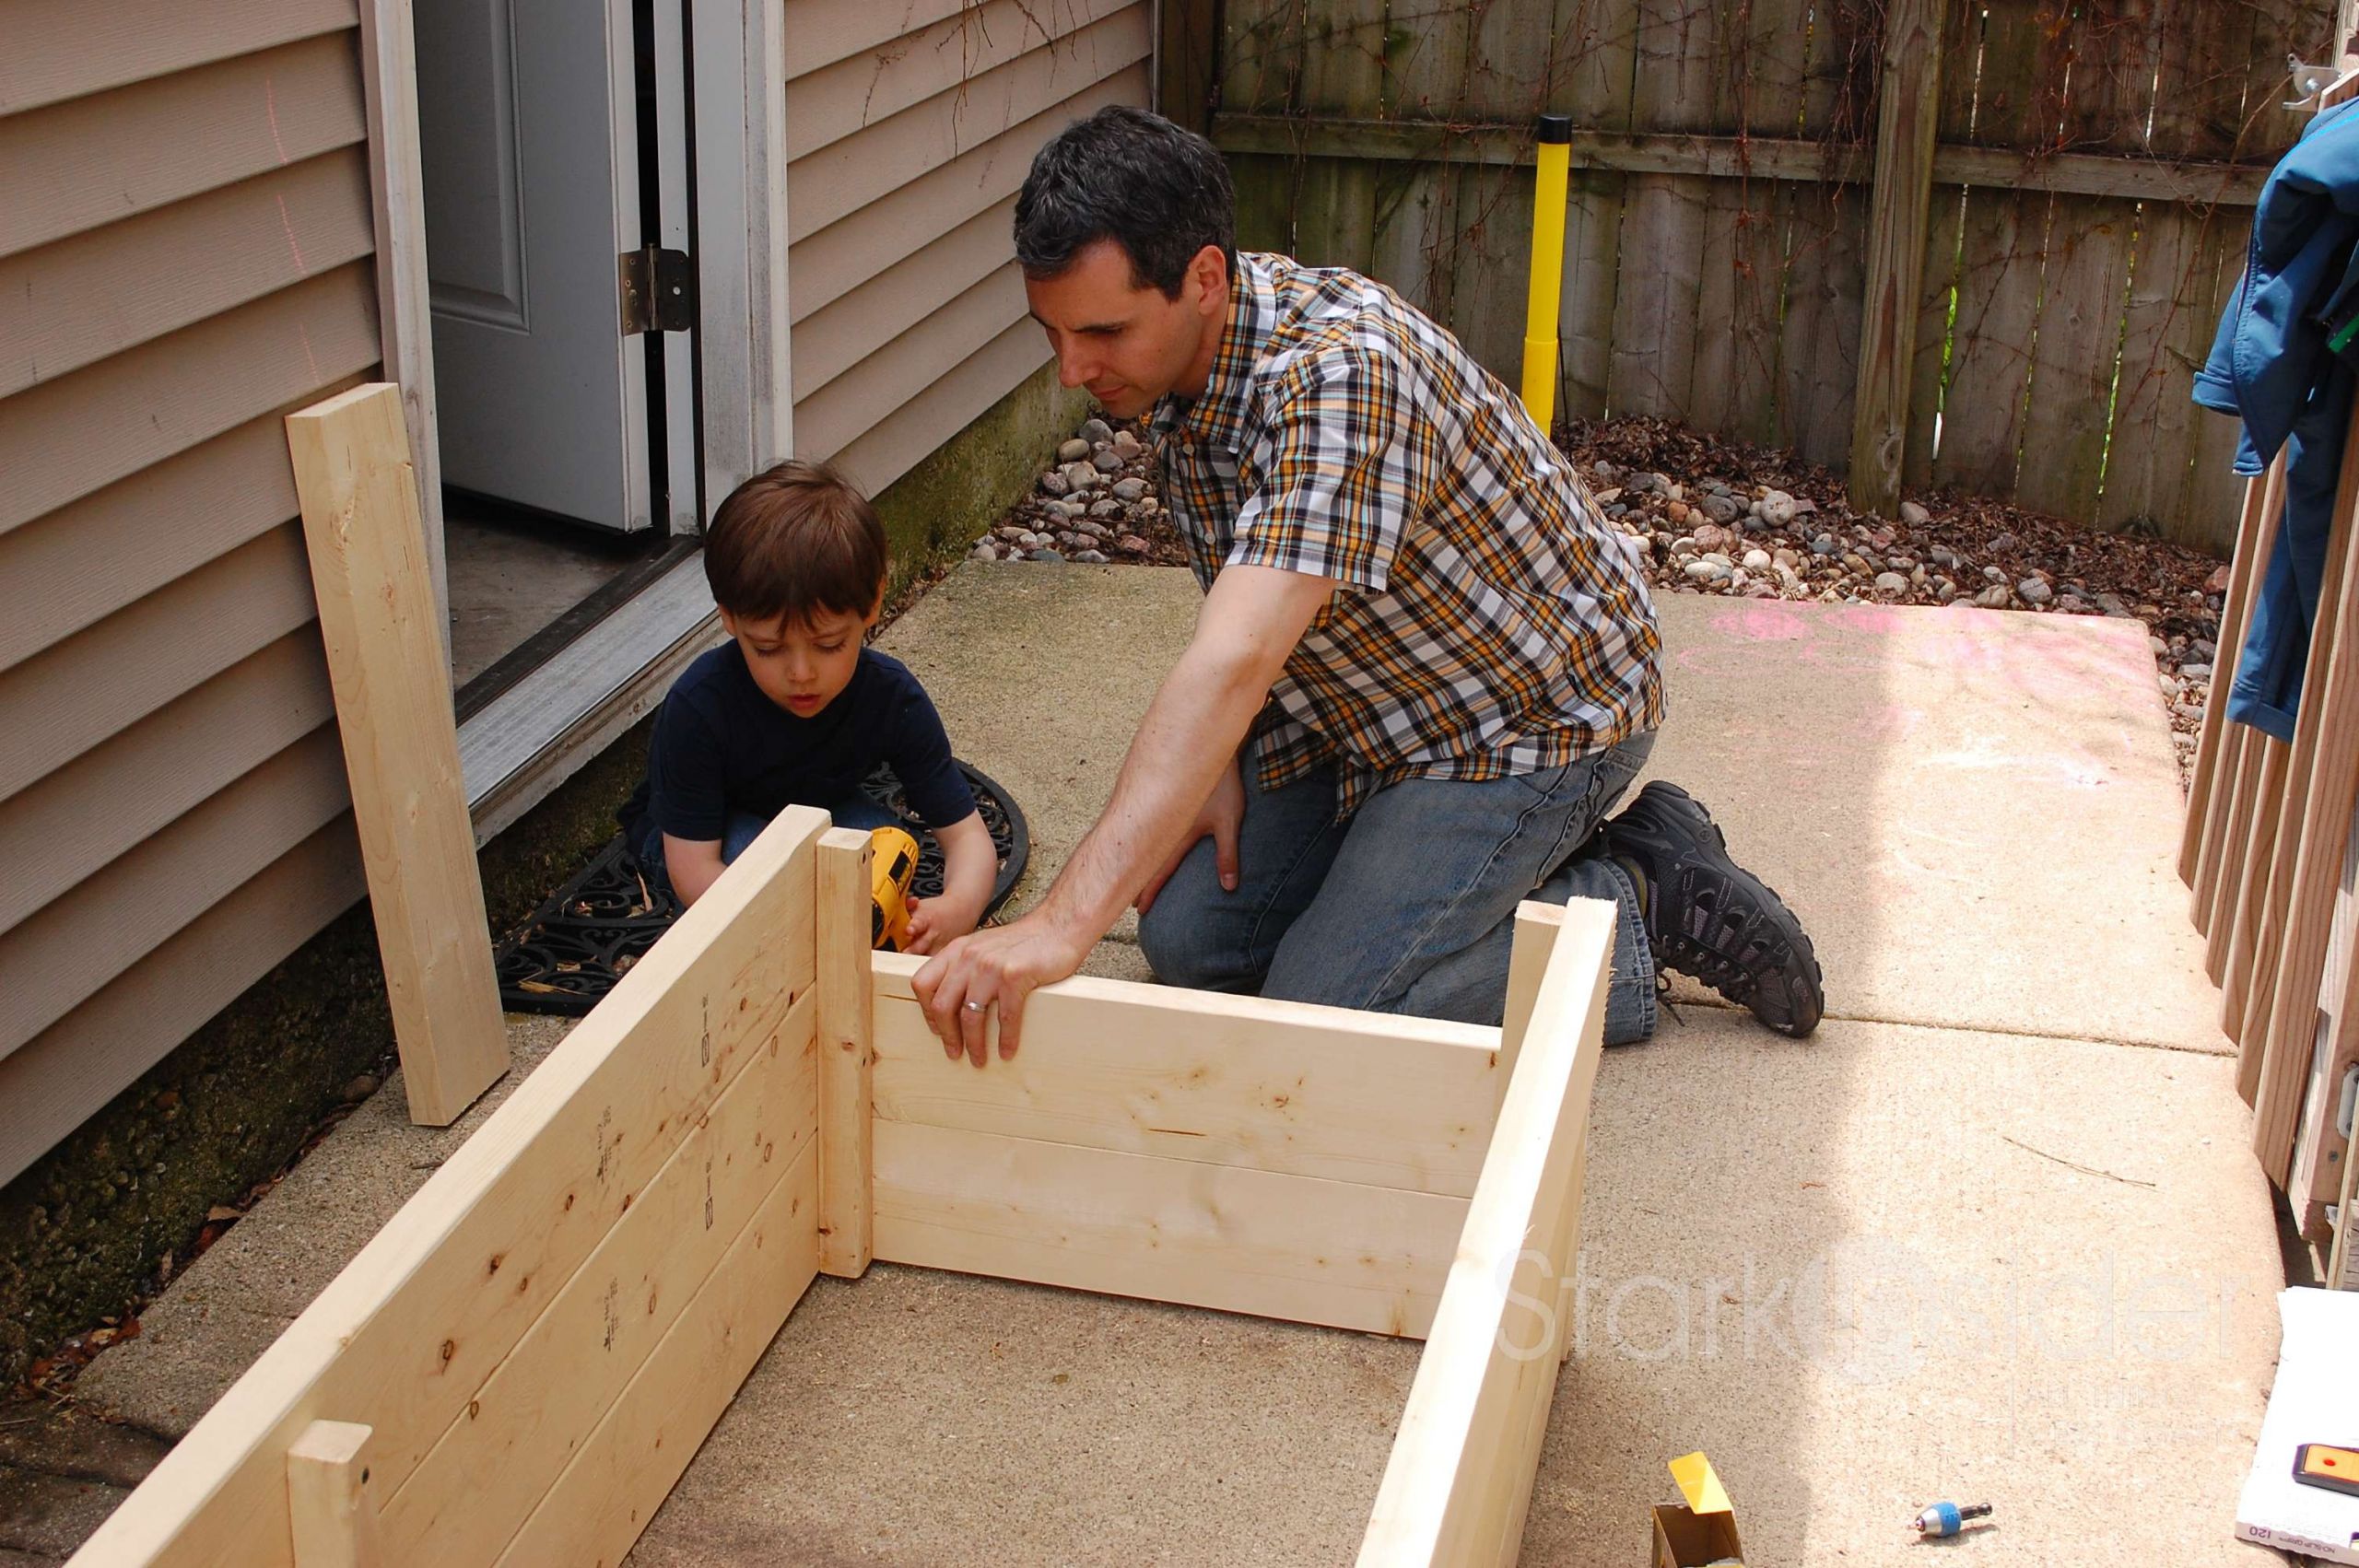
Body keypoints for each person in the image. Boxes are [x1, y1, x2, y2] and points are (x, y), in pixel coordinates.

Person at [912, 105, 1821, 1059]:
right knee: (1188, 945)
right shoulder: (1181, 366)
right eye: (1051, 332)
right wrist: (1218, 758)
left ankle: (1636, 895)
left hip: (1526, 719)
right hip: (1361, 710)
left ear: (1205, 279)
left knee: (1331, 1016)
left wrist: (1058, 927)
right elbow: (1243, 602)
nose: (1071, 368)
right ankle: (1453, 898)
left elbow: (1235, 654)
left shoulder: (1341, 378)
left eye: (1100, 330)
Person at [619, 460, 997, 952]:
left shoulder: (891, 696)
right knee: (765, 866)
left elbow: (967, 837)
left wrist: (959, 907)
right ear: (730, 619)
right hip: (703, 840)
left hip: (818, 808)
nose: (801, 673)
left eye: (828, 645)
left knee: (884, 846)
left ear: (873, 603)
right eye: (769, 649)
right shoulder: (700, 707)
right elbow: (694, 873)